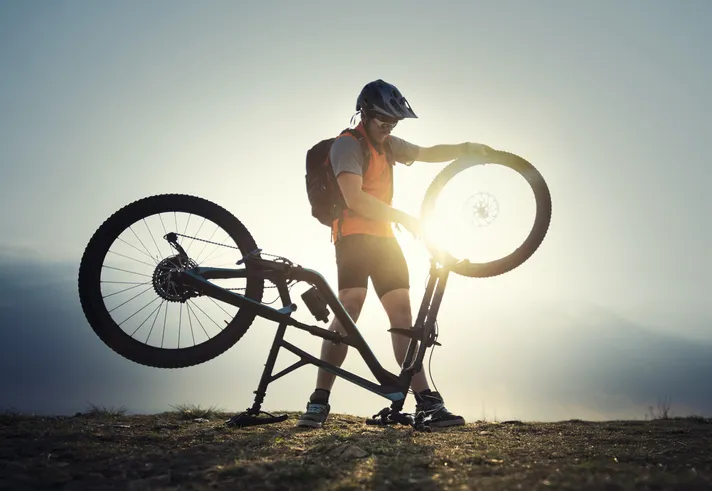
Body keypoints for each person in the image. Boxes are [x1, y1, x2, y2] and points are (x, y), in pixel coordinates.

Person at [297, 79, 493, 429]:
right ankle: (319, 401)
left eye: (394, 124)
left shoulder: (387, 146)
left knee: (403, 315)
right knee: (350, 307)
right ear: (366, 115)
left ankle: (427, 403)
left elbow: (426, 152)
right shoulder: (347, 145)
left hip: (385, 240)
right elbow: (355, 199)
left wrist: (466, 147)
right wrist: (402, 216)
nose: (389, 129)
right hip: (353, 237)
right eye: (384, 123)